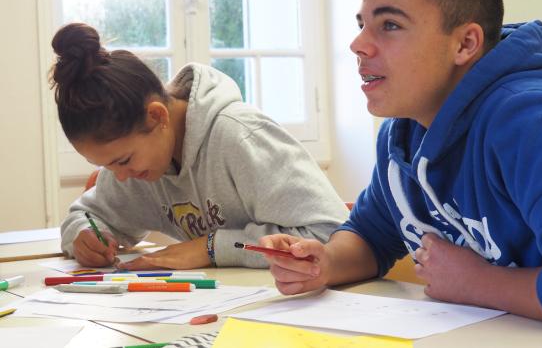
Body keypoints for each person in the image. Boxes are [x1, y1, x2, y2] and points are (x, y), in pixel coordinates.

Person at [260, 0, 542, 329]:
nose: (358, 44)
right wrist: (323, 263)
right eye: (362, 24)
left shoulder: (532, 121)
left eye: (390, 25)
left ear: (465, 44)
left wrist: (477, 284)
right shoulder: (403, 132)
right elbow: (371, 235)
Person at [51, 22, 349, 270]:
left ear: (157, 116)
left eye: (123, 160)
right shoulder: (138, 160)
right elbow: (86, 214)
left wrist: (212, 248)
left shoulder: (241, 137)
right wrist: (84, 234)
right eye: (106, 166)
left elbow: (332, 234)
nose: (119, 177)